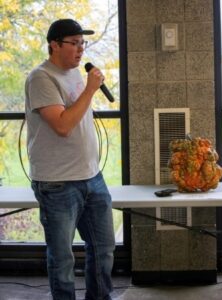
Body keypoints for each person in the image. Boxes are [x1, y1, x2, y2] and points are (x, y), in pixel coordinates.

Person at [25, 18, 115, 300]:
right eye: (74, 43)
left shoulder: (76, 73)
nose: (80, 50)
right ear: (54, 45)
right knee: (63, 258)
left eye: (82, 43)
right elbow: (63, 126)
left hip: (91, 177)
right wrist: (90, 89)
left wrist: (86, 87)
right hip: (57, 183)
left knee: (103, 249)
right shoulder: (41, 78)